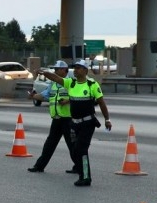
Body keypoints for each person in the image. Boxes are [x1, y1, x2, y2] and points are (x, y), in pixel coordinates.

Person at [33, 59, 111, 187]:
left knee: (82, 150)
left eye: (79, 68)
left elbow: (101, 102)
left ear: (85, 71)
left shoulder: (92, 85)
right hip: (74, 124)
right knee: (75, 151)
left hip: (87, 123)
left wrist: (107, 119)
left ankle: (85, 177)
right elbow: (55, 78)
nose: (75, 70)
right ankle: (81, 172)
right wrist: (44, 72)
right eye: (75, 68)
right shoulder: (71, 83)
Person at [27, 60, 79, 174]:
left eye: (57, 69)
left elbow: (79, 97)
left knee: (72, 145)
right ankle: (39, 166)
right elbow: (45, 95)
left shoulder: (71, 82)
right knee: (49, 144)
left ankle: (79, 167)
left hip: (68, 119)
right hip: (56, 118)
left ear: (64, 70)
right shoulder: (53, 84)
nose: (55, 71)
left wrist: (67, 100)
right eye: (54, 69)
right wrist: (33, 96)